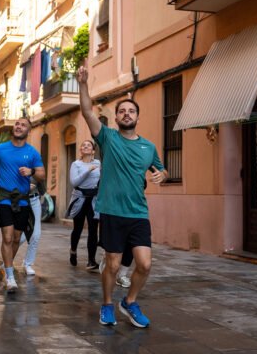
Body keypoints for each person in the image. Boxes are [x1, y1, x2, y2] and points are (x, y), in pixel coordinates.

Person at [77, 65, 168, 328]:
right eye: (122, 111)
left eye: (131, 111)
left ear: (138, 117)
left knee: (145, 264)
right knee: (114, 265)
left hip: (138, 212)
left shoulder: (148, 147)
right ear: (115, 118)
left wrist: (162, 174)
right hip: (112, 211)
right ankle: (107, 304)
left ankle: (129, 301)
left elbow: (161, 169)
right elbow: (86, 111)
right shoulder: (108, 138)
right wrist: (83, 85)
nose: (126, 114)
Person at [0, 117, 45, 292]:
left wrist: (31, 171)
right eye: (17, 124)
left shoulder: (32, 152)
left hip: (23, 201)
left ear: (28, 131)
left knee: (17, 238)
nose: (19, 126)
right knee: (7, 237)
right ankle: (10, 276)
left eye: (23, 125)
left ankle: (6, 266)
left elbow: (41, 174)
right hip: (4, 197)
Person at [66, 140, 101, 271]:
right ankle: (73, 250)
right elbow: (74, 182)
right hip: (80, 198)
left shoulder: (98, 163)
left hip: (94, 199)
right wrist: (88, 170)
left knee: (93, 229)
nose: (85, 146)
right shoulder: (76, 164)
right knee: (78, 228)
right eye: (83, 145)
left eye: (88, 145)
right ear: (80, 150)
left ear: (93, 150)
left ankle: (91, 260)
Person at [18, 177, 44, 276]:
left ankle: (28, 264)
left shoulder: (35, 163)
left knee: (36, 234)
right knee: (19, 237)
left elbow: (41, 179)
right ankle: (7, 261)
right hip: (20, 201)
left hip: (34, 200)